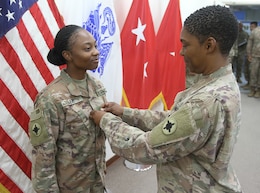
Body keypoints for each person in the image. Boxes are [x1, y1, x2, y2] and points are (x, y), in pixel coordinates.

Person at [90, 5, 242, 193]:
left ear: (209, 45)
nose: (181, 52)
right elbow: (174, 121)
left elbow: (144, 147)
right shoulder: (221, 82)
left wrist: (106, 120)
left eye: (186, 44)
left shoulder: (206, 101)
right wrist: (126, 113)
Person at [29, 25, 107, 192]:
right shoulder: (51, 98)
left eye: (95, 46)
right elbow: (43, 156)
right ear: (68, 55)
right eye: (88, 48)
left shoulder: (96, 86)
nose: (96, 52)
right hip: (70, 186)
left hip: (97, 180)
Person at [242, 21, 258, 90]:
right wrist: (248, 54)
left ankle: (256, 88)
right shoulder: (253, 33)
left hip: (255, 56)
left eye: (252, 26)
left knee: (255, 72)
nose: (251, 28)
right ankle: (250, 85)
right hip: (252, 55)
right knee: (250, 71)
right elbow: (249, 44)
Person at [246, 21, 260, 97]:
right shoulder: (255, 31)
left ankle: (258, 90)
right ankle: (252, 89)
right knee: (253, 73)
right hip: (255, 56)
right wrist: (249, 54)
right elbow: (250, 43)